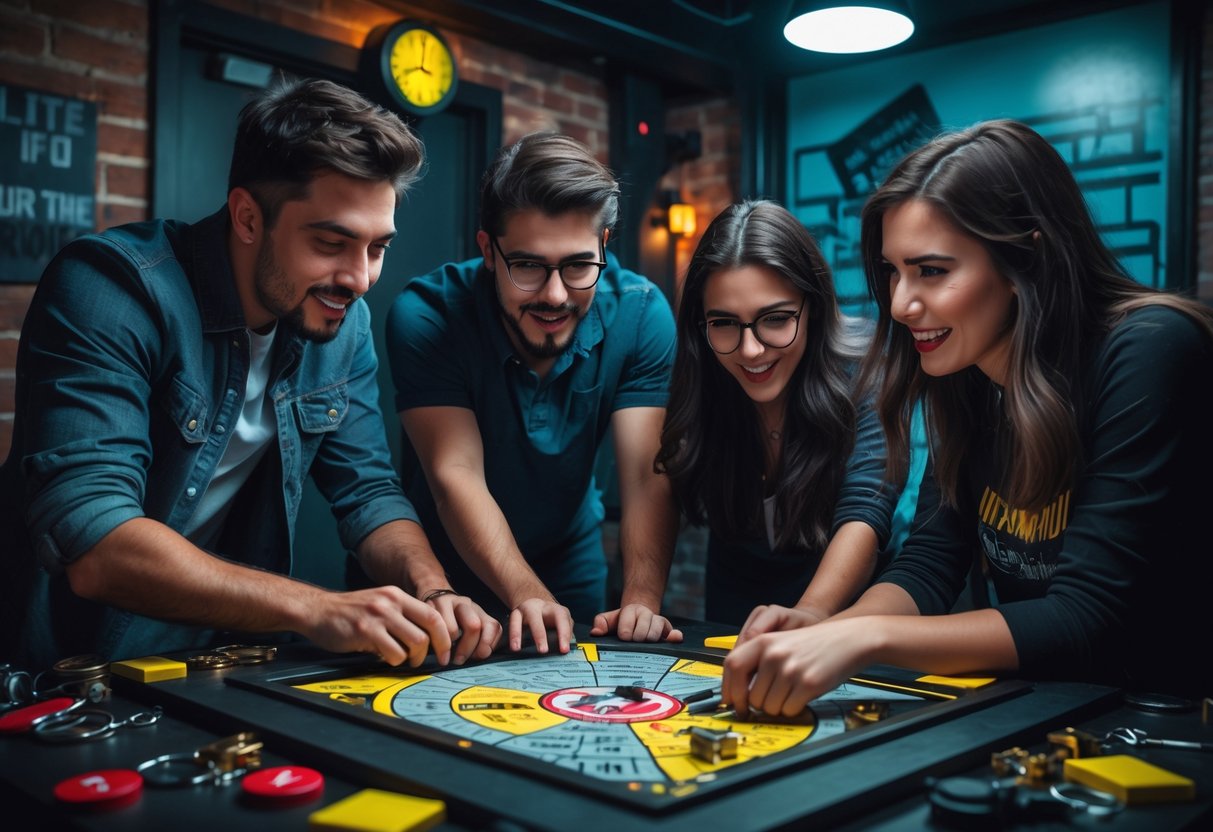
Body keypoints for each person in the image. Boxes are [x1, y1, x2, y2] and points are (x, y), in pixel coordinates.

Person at [0, 78, 502, 672]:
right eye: (331, 243)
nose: (361, 279)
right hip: (54, 667)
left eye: (377, 248)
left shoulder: (346, 326)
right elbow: (95, 542)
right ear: (246, 217)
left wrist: (433, 590)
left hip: (207, 658)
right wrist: (318, 609)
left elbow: (368, 492)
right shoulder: (112, 288)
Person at [723, 119, 1213, 714]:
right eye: (893, 271)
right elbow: (931, 562)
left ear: (1026, 259)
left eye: (931, 271)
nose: (900, 304)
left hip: (1167, 723)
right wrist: (821, 625)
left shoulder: (1152, 349)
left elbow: (1088, 615)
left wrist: (861, 637)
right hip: (1055, 708)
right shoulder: (971, 372)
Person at [383, 132, 681, 655]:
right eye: (528, 266)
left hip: (570, 557)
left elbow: (644, 475)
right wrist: (527, 594)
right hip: (441, 572)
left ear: (604, 244)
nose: (555, 295)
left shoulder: (642, 313)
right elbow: (456, 474)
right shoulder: (428, 315)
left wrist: (640, 601)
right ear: (488, 251)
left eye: (578, 265)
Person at [655, 200, 899, 627]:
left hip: (847, 614)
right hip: (733, 604)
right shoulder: (704, 373)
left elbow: (864, 514)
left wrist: (810, 613)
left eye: (775, 319)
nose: (750, 350)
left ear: (813, 306)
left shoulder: (865, 370)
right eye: (724, 323)